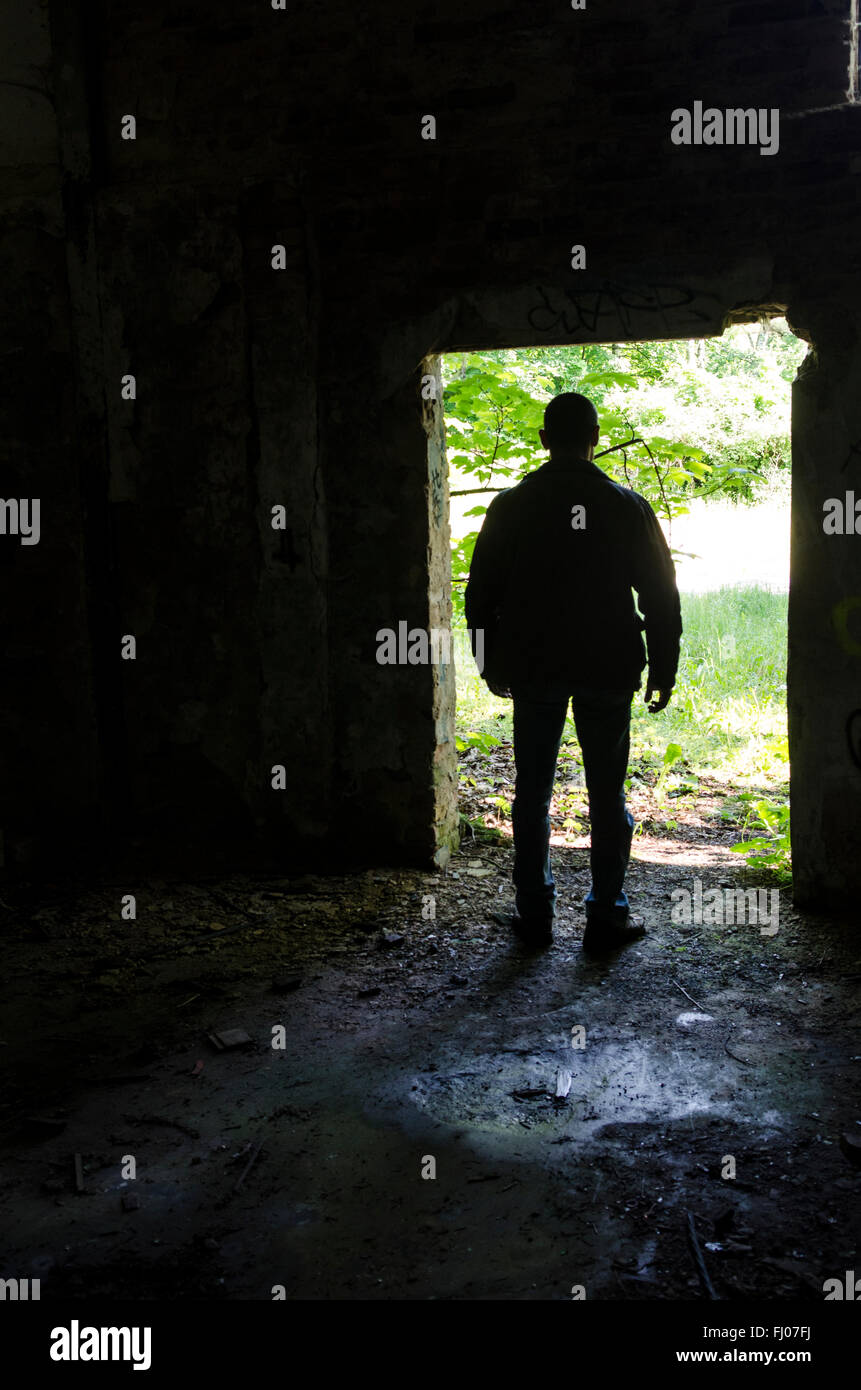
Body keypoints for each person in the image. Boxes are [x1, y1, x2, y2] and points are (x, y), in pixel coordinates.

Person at [464, 391, 682, 954]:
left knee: (532, 791)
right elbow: (660, 593)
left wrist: (490, 661)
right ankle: (605, 916)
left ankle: (534, 914)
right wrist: (663, 666)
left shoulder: (511, 506)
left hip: (535, 667)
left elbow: (480, 595)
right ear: (596, 436)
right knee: (606, 794)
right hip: (607, 667)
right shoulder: (626, 505)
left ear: (543, 439)